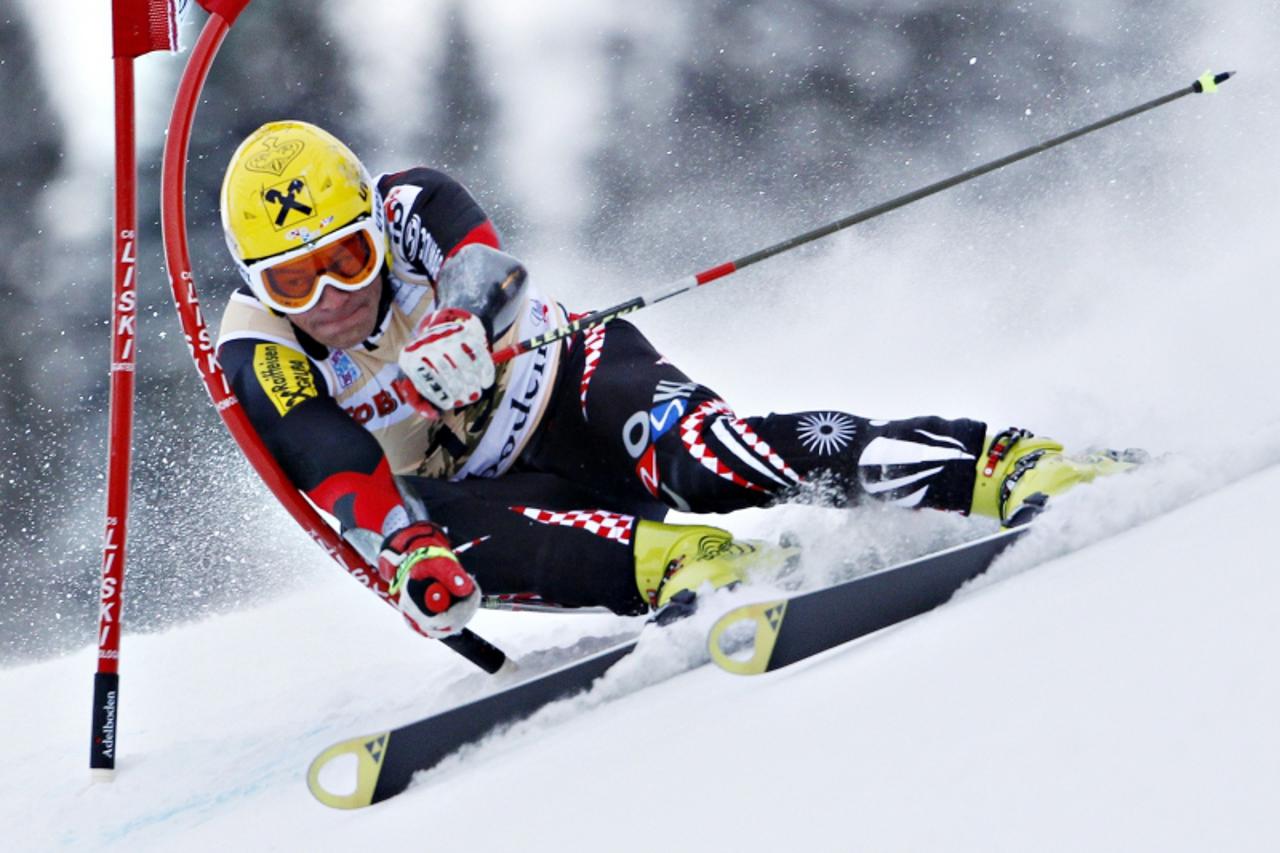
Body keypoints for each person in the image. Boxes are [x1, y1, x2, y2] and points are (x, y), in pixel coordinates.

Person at [216, 120, 1132, 641]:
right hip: (494, 492)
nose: (331, 296)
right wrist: (407, 553)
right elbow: (324, 454)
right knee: (417, 522)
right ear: (258, 284)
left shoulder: (408, 199)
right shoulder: (260, 348)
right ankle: (696, 567)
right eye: (294, 280)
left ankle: (995, 464)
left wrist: (463, 319)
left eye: (347, 257)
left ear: (374, 226)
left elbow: (483, 259)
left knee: (704, 458)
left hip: (568, 381)